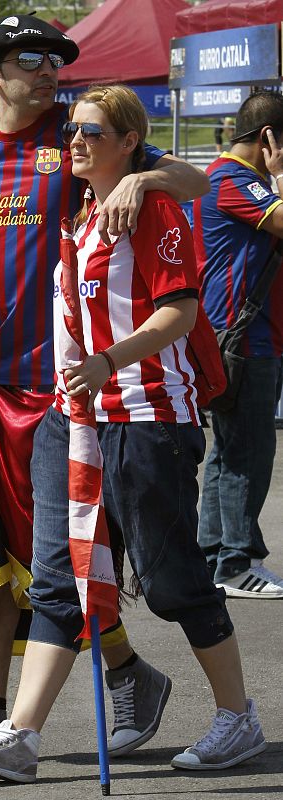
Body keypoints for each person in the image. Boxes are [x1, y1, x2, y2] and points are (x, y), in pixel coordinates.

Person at [0, 15, 211, 768]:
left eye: (55, 59)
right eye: (31, 58)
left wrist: (141, 177)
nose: (48, 70)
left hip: (65, 387)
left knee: (62, 563)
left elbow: (196, 181)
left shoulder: (79, 136)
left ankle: (106, 686)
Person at [0, 84, 265, 782]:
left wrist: (108, 361)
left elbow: (180, 310)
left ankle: (238, 716)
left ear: (128, 143)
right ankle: (21, 736)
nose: (76, 142)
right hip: (74, 416)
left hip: (147, 415)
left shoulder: (153, 208)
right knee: (58, 580)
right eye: (73, 132)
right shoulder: (80, 212)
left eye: (92, 132)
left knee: (173, 583)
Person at [195, 90, 283, 599]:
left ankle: (215, 557)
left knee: (229, 453)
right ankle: (236, 562)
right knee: (247, 453)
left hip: (239, 337)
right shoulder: (232, 180)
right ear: (270, 137)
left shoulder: (234, 180)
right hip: (245, 340)